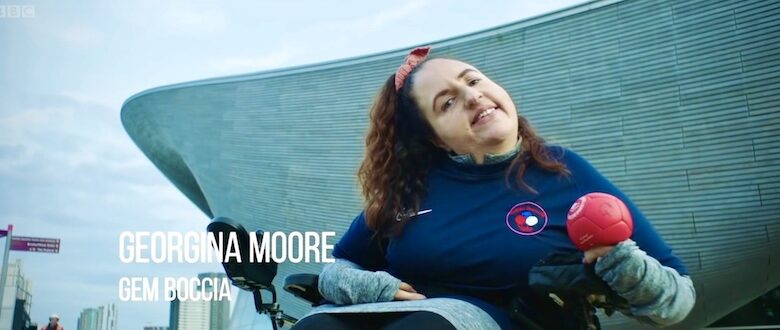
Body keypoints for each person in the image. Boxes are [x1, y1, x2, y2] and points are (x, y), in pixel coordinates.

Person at [292, 46, 696, 329]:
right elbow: (339, 267)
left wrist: (619, 262)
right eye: (446, 103)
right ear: (437, 140)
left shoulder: (563, 171)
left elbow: (676, 299)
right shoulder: (409, 190)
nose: (472, 96)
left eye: (473, 80)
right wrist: (367, 285)